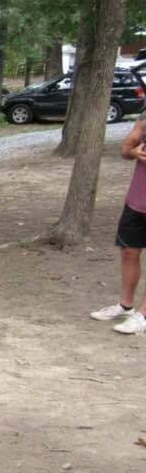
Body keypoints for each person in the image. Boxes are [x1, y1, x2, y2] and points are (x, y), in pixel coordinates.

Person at [90, 109, 146, 333]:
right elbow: (125, 149)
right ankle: (126, 306)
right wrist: (135, 152)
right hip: (137, 202)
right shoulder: (144, 120)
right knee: (128, 252)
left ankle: (143, 316)